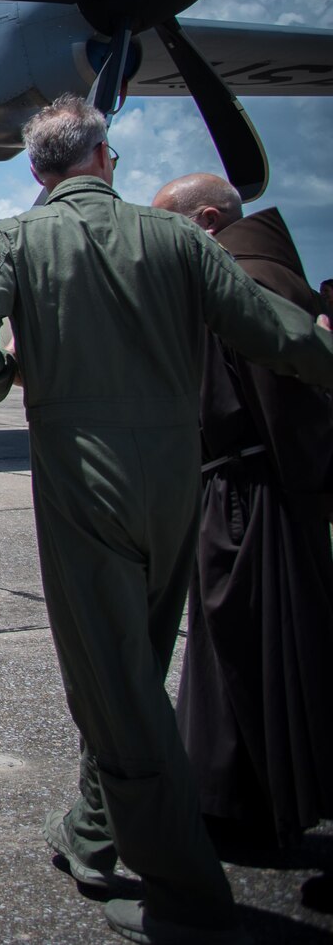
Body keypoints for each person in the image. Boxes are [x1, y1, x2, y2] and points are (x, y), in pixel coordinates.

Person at [0, 96, 333, 945]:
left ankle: (187, 894)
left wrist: (9, 372)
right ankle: (93, 829)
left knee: (111, 683)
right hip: (177, 478)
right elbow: (272, 331)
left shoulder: (16, 236)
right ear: (104, 158)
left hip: (84, 478)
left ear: (40, 172)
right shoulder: (185, 237)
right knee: (136, 664)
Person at [152, 173, 333, 850]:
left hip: (257, 495)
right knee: (235, 649)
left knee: (264, 649)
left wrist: (306, 488)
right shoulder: (238, 277)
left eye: (168, 225)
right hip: (238, 487)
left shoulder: (249, 283)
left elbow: (292, 401)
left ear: (204, 221)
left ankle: (249, 800)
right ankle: (234, 798)